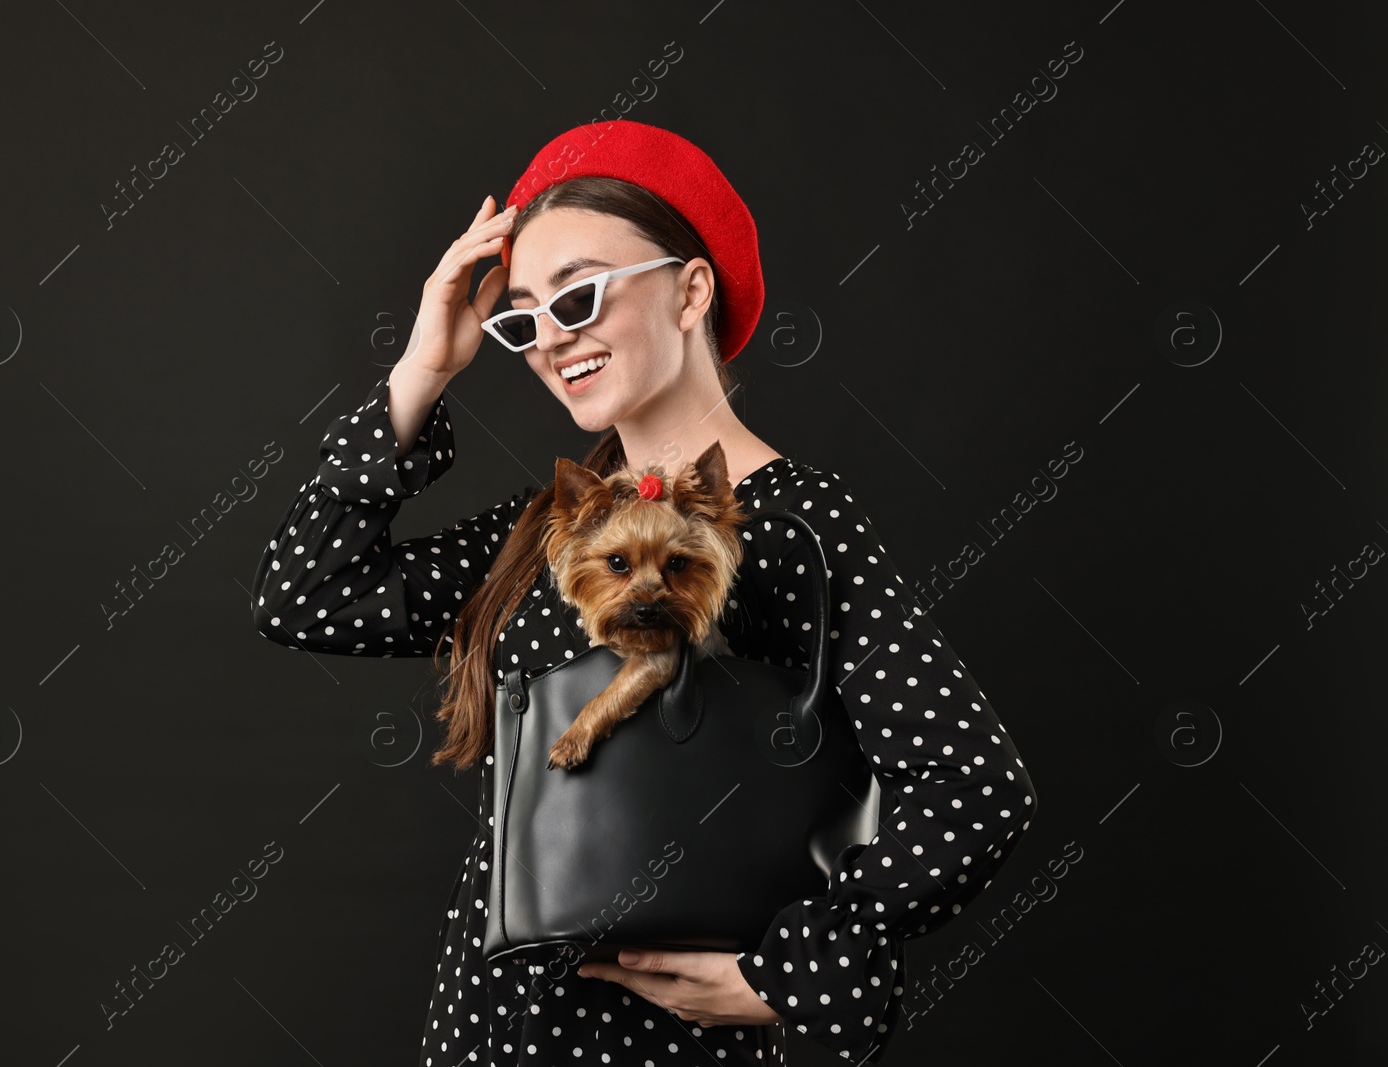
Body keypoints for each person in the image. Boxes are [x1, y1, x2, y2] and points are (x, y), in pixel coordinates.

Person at [251, 119, 1038, 1064]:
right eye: (523, 317)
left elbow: (974, 787)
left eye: (579, 296)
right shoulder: (549, 529)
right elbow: (304, 593)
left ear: (690, 289)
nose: (551, 339)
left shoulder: (798, 529)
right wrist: (422, 370)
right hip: (492, 1033)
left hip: (662, 1045)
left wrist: (792, 969)